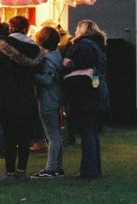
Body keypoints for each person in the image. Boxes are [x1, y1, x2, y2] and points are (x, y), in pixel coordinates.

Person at [0, 15, 43, 183]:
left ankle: (9, 173)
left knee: (10, 136)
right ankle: (21, 171)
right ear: (26, 29)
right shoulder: (36, 50)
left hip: (7, 97)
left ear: (11, 28)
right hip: (28, 96)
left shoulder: (3, 47)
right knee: (24, 137)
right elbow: (39, 70)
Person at [62, 19, 107, 179]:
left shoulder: (84, 46)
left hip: (84, 95)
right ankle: (94, 167)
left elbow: (80, 64)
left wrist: (67, 64)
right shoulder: (99, 46)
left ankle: (88, 170)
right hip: (96, 92)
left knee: (87, 132)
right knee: (92, 132)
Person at [33, 25, 64, 178]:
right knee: (56, 134)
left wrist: (32, 75)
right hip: (56, 97)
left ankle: (50, 168)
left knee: (51, 136)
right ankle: (58, 166)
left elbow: (46, 80)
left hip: (47, 99)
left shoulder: (46, 60)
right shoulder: (57, 55)